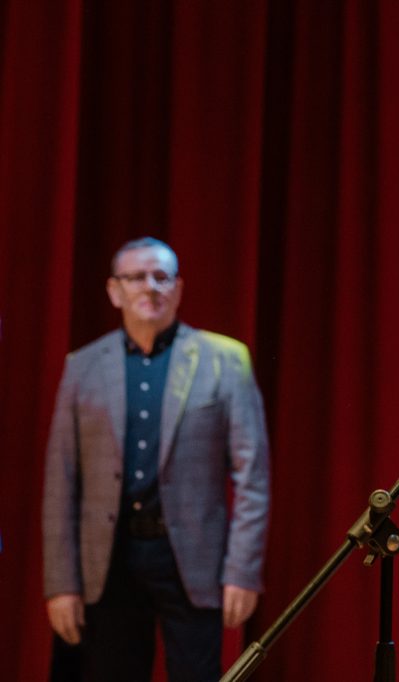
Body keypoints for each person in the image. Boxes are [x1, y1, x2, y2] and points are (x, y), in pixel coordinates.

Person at [42, 237, 271, 681]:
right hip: (109, 563)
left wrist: (242, 571)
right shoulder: (83, 367)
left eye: (161, 276)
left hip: (192, 562)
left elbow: (253, 476)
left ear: (178, 289)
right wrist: (61, 583)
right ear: (114, 291)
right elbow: (60, 481)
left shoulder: (225, 360)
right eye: (136, 277)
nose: (149, 286)